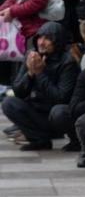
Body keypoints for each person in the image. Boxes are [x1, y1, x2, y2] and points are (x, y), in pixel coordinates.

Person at [1, 21, 79, 151]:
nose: (41, 42)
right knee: (9, 103)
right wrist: (30, 74)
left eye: (48, 39)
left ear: (57, 41)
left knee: (59, 111)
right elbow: (18, 91)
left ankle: (76, 141)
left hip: (57, 114)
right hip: (37, 109)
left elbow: (61, 97)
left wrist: (40, 74)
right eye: (40, 38)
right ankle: (39, 139)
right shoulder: (32, 55)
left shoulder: (67, 62)